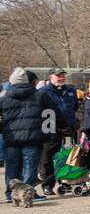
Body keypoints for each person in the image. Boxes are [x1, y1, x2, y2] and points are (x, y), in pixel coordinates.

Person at [1, 68, 55, 203]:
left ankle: (11, 193)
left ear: (12, 81)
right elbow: (51, 114)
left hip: (12, 139)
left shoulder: (4, 97)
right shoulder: (40, 95)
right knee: (30, 167)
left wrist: (3, 130)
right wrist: (50, 133)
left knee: (12, 167)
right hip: (34, 138)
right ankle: (28, 193)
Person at [37, 68, 79, 193]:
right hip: (50, 128)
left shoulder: (71, 90)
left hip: (69, 128)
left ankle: (66, 182)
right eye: (58, 76)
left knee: (69, 156)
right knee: (47, 157)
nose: (61, 78)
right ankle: (47, 185)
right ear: (51, 77)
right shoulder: (43, 92)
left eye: (62, 76)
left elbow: (76, 107)